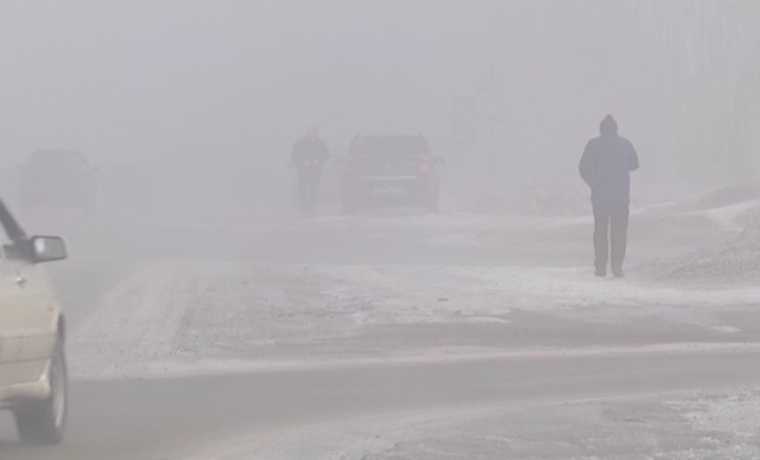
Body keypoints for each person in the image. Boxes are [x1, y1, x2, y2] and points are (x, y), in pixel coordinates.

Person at [579, 115, 639, 278]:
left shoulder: (593, 145)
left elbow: (583, 168)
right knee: (619, 232)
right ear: (616, 129)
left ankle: (600, 267)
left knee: (600, 232)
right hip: (621, 197)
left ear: (601, 129)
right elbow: (635, 164)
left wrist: (593, 183)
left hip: (600, 197)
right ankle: (617, 266)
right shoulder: (625, 144)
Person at [290, 129, 329, 213]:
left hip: (315, 170)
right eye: (310, 133)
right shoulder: (300, 143)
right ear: (307, 133)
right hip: (303, 170)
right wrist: (302, 162)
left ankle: (312, 205)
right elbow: (295, 155)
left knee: (314, 187)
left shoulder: (320, 143)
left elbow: (326, 154)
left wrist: (318, 161)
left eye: (314, 133)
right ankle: (303, 205)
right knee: (303, 187)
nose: (312, 134)